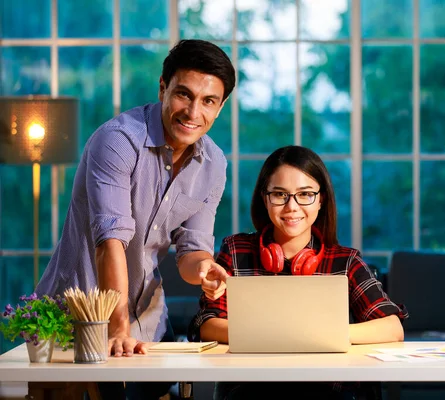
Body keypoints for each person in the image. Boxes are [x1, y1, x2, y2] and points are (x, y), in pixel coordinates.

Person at [35, 39, 232, 399]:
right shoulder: (118, 140)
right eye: (183, 94)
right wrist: (118, 326)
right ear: (163, 87)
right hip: (78, 312)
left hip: (146, 318)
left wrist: (205, 268)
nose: (193, 112)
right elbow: (110, 243)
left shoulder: (214, 164)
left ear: (220, 108)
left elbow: (192, 251)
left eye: (208, 101)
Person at [189, 145, 409, 400]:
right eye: (280, 194)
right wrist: (283, 336)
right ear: (264, 197)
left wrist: (320, 336)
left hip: (325, 389)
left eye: (305, 194)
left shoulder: (345, 261)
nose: (291, 206)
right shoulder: (236, 251)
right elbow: (207, 324)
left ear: (321, 199)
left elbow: (393, 328)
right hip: (252, 388)